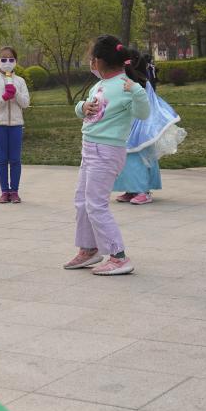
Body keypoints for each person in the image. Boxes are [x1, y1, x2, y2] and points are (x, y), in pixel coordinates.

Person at [63, 35, 150, 276]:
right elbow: (90, 110)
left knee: (96, 204)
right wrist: (82, 108)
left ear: (99, 61)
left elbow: (143, 113)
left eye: (92, 59)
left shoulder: (126, 85)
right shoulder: (100, 84)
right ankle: (89, 249)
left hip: (107, 151)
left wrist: (138, 92)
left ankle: (118, 256)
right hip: (89, 148)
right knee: (81, 201)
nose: (90, 63)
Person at [114, 53, 186, 205]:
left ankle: (143, 191)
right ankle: (131, 189)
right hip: (131, 127)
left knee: (138, 158)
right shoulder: (135, 82)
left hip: (141, 128)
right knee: (127, 159)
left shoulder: (139, 84)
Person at [0, 46, 30, 204]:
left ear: (16, 61)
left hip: (16, 125)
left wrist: (15, 93)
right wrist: (4, 97)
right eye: (3, 59)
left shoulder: (20, 81)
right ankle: (4, 191)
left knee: (15, 159)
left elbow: (25, 103)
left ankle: (15, 191)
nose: (7, 62)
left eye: (11, 59)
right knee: (2, 159)